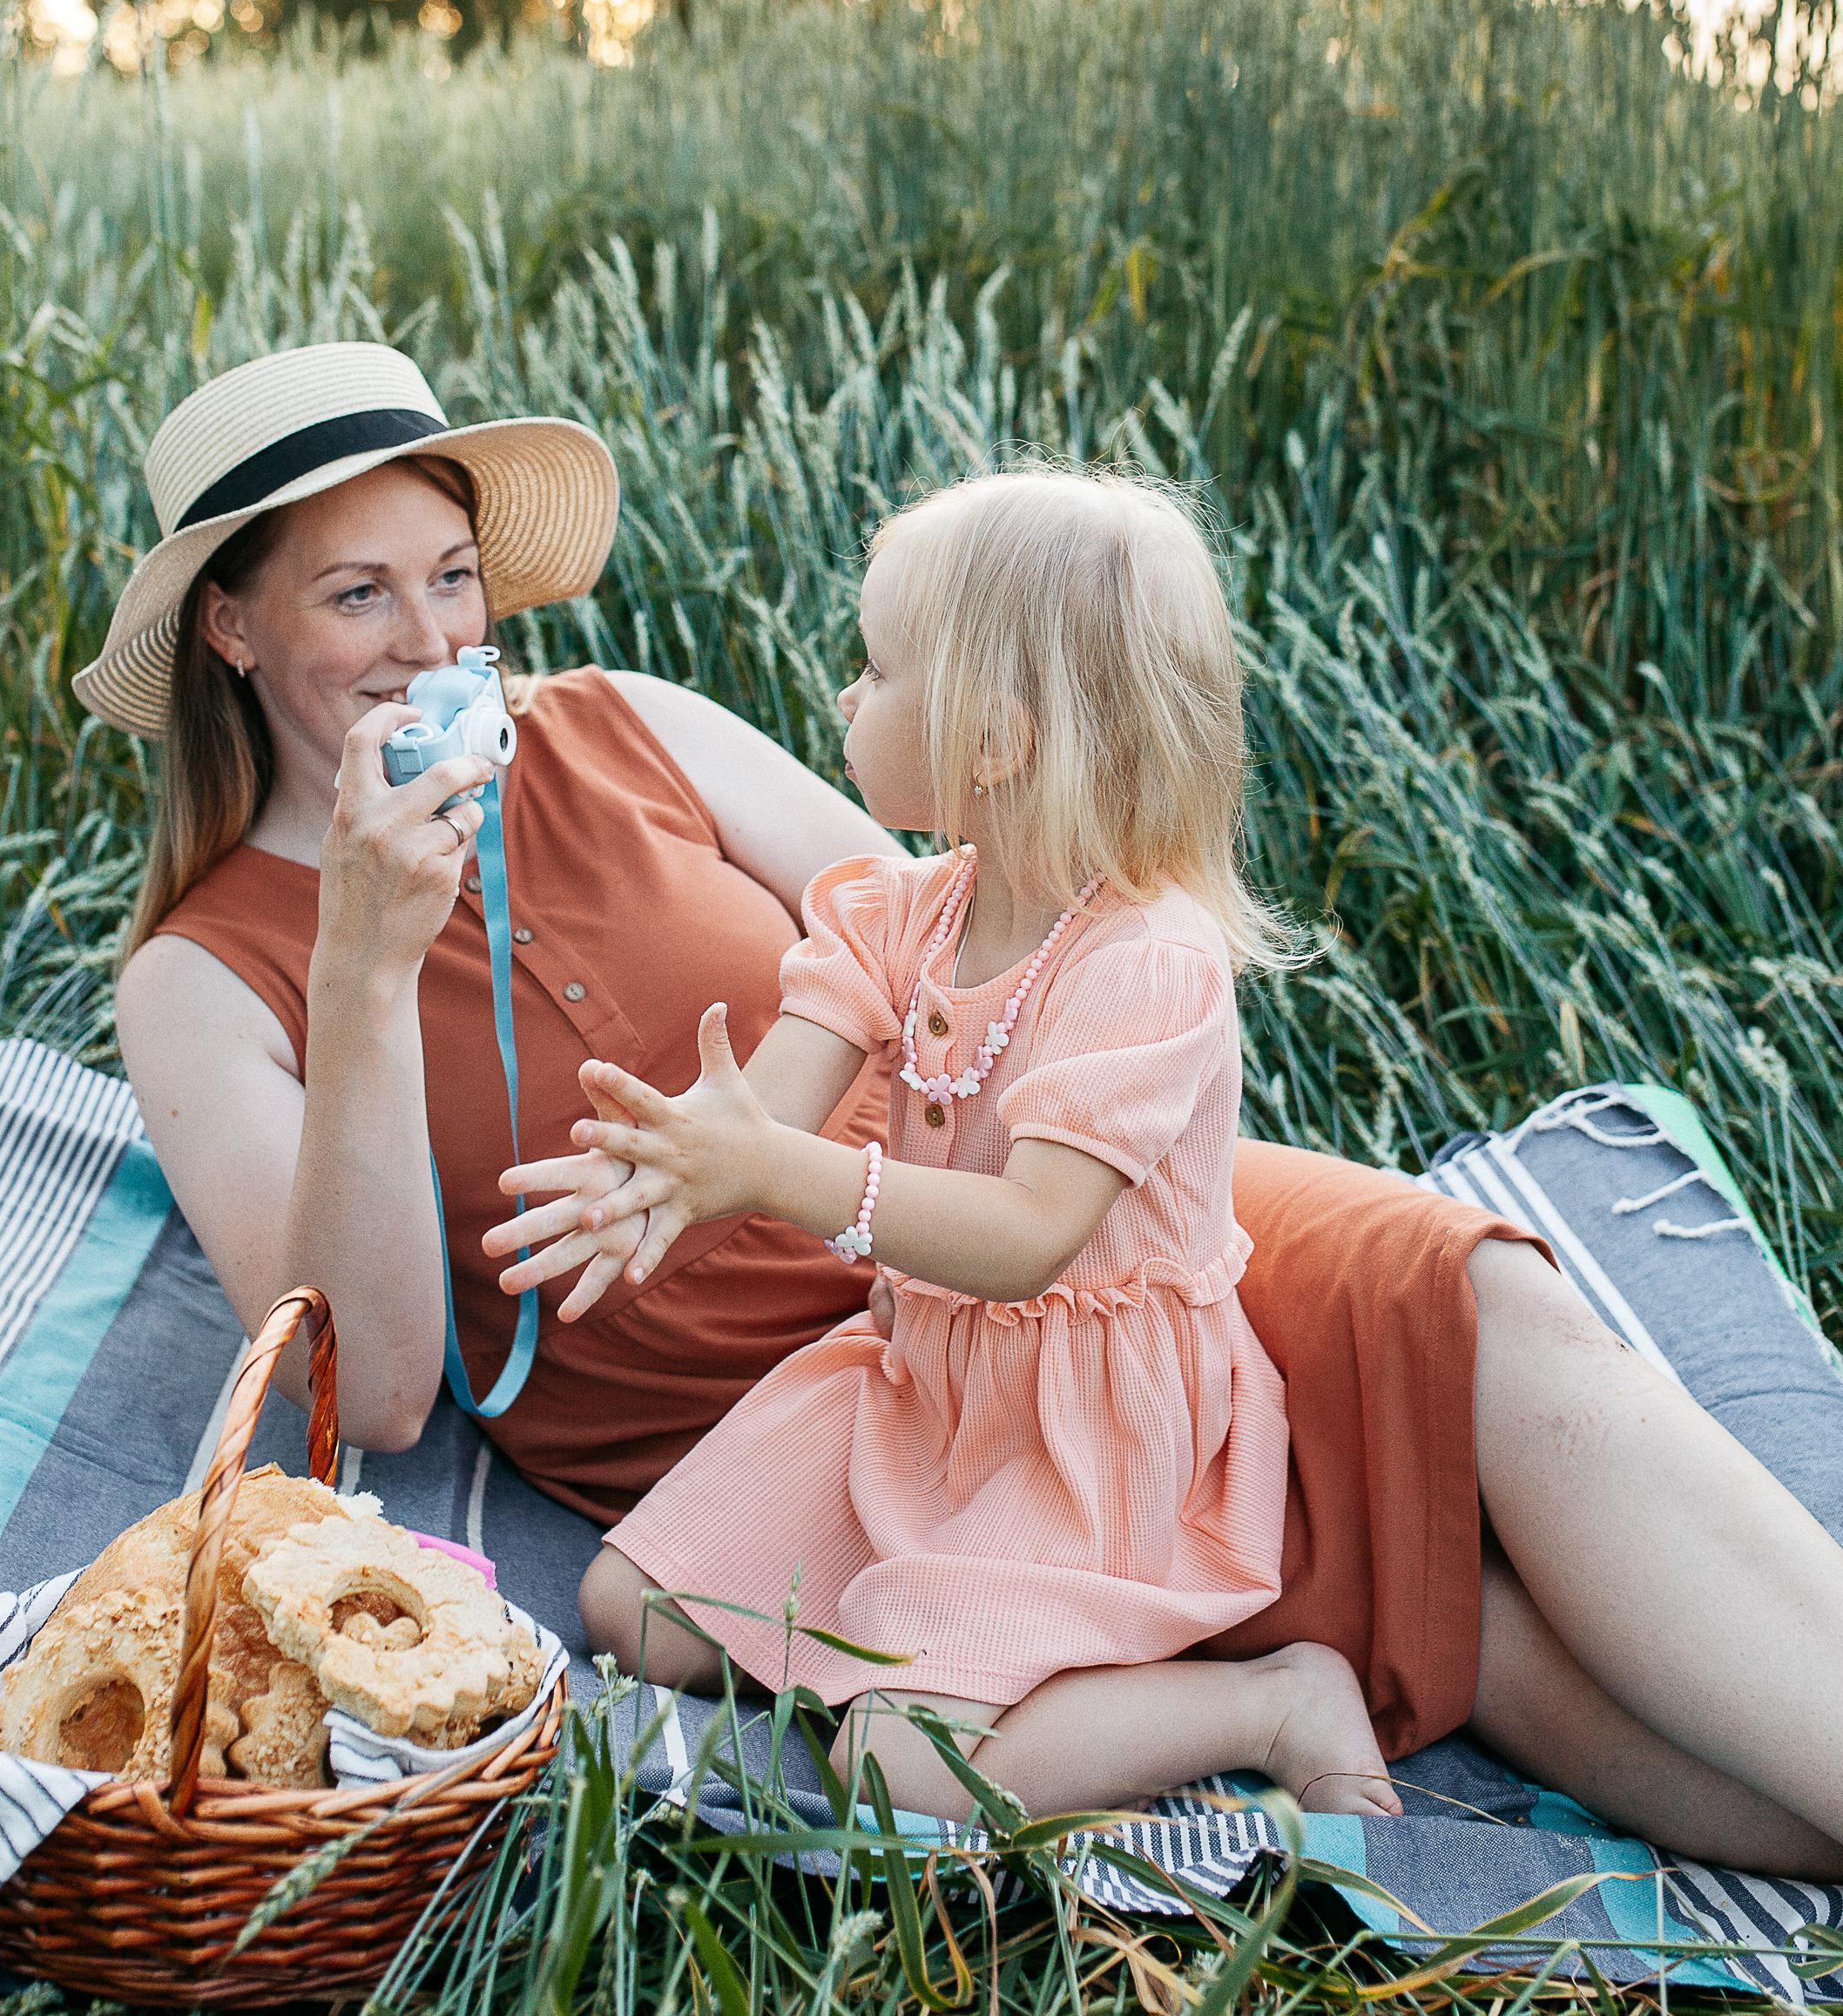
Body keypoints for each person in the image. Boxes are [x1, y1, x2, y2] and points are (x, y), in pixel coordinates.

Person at [92, 342, 1843, 1871]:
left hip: (1062, 1254)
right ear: (233, 625)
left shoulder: (625, 724)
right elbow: (374, 1390)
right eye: (357, 594)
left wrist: (875, 1145)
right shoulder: (204, 975)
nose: (433, 639)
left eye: (455, 577)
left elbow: (963, 922)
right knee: (1627, 1723)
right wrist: (365, 972)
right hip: (863, 1435)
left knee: (1479, 1304)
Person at [499, 470, 1408, 1816]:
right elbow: (769, 1108)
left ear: (990, 741)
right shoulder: (901, 910)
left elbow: (1027, 1239)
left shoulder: (1147, 964)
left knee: (895, 1768)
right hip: (919, 1381)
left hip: (1079, 1430)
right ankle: (925, 1635)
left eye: (874, 670)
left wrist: (775, 1174)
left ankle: (1265, 1702)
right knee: (631, 1612)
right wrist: (665, 1171)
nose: (843, 702)